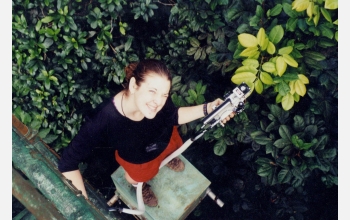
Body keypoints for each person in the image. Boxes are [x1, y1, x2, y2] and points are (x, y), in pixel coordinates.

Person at [58, 59, 234, 207]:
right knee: (139, 177)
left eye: (164, 95)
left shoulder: (159, 102)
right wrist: (85, 210)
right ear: (134, 85)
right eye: (152, 91)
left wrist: (209, 108)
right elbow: (67, 164)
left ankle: (168, 159)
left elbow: (173, 115)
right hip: (140, 160)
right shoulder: (102, 121)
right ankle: (139, 186)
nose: (158, 102)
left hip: (166, 141)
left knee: (171, 150)